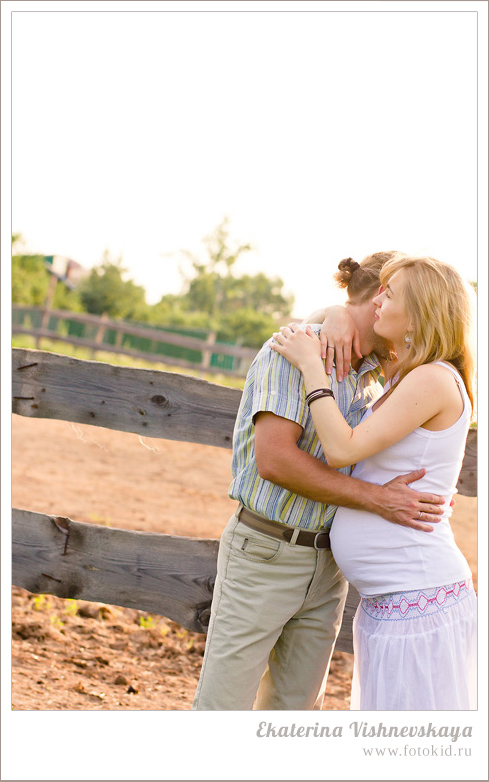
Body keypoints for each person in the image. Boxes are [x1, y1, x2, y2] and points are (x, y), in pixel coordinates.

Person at [192, 252, 447, 711]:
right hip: (267, 553)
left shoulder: (377, 369)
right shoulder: (296, 349)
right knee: (223, 707)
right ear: (378, 300)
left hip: (329, 568)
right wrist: (376, 500)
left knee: (296, 712)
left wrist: (330, 313)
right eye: (388, 293)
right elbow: (275, 461)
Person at [272, 253, 477, 710]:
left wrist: (312, 370)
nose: (377, 298)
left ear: (422, 310)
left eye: (390, 292)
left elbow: (343, 449)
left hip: (417, 600)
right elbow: (336, 322)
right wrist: (336, 313)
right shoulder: (406, 373)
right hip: (392, 603)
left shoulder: (433, 380)